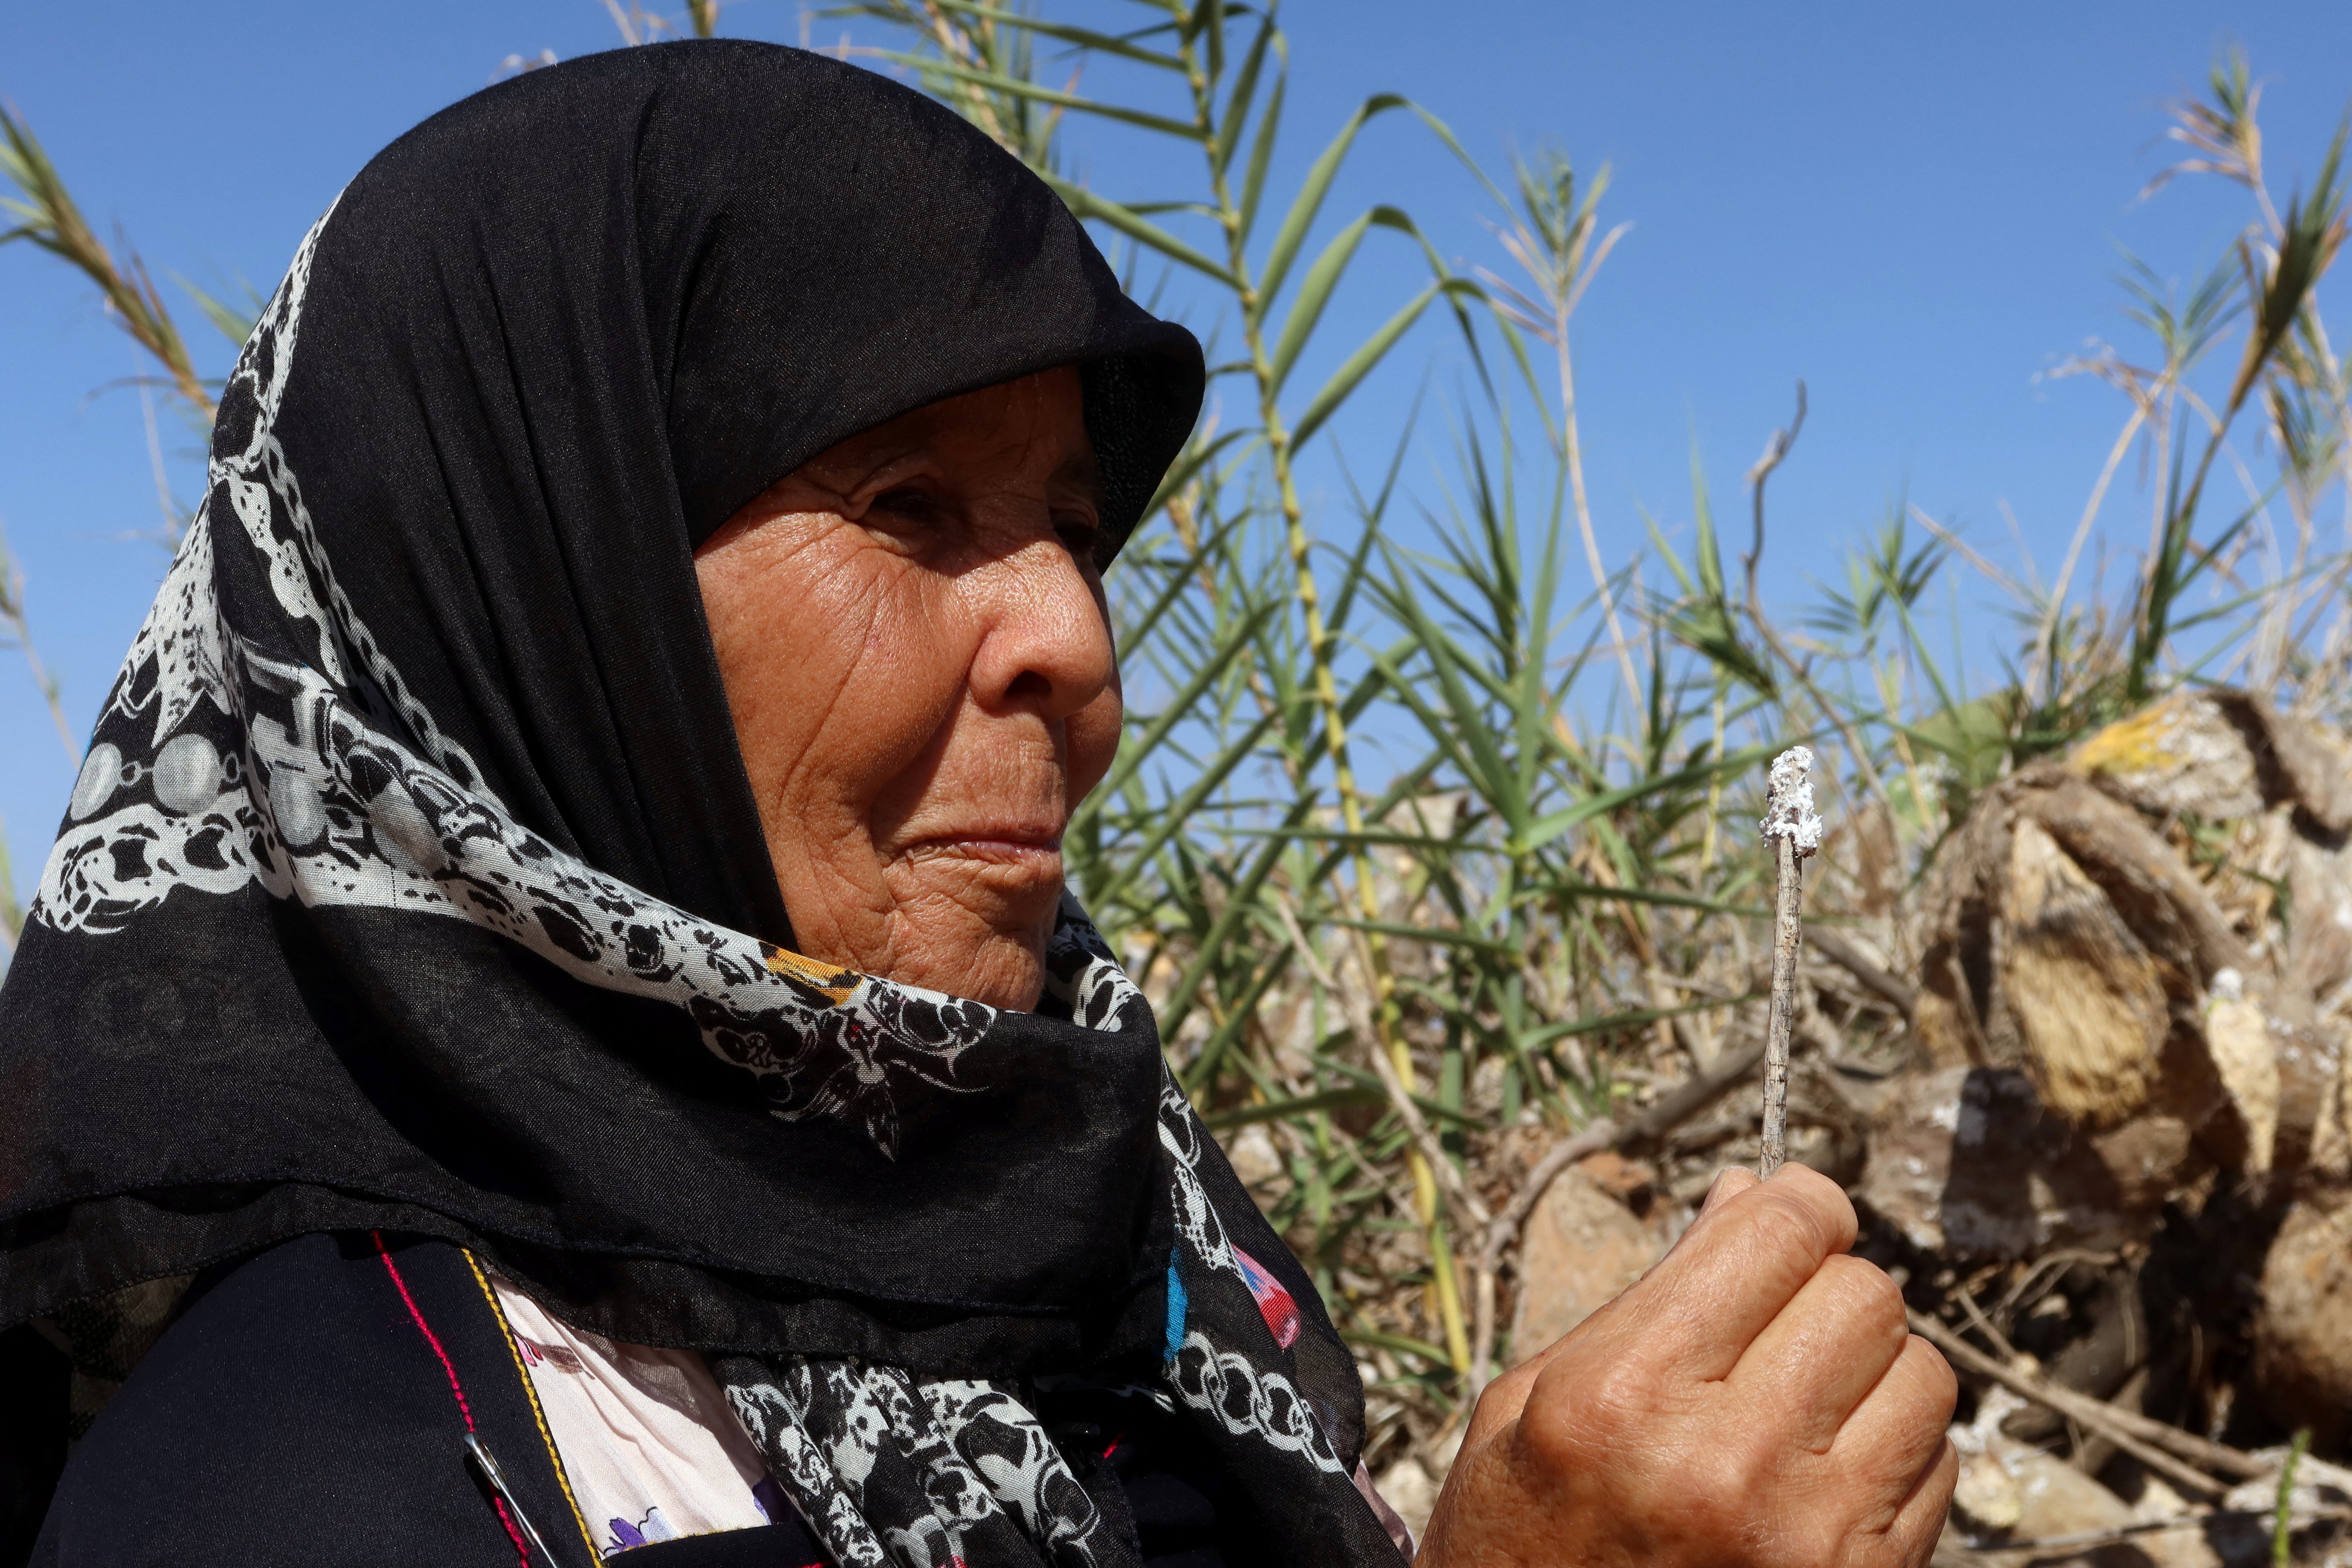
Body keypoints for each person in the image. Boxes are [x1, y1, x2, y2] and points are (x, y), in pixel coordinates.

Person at [0, 40, 1955, 1568]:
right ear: (528, 607)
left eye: (1078, 530)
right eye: (906, 506)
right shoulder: (313, 1475)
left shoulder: (1128, 1271)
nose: (1076, 645)